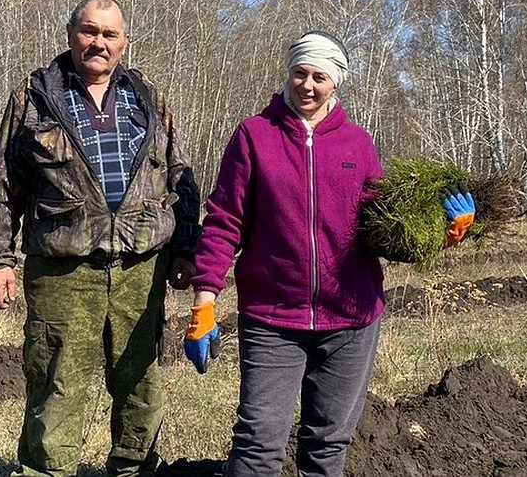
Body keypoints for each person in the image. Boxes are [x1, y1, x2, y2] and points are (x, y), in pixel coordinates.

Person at [181, 31, 476, 477]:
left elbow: (383, 230)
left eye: (319, 76)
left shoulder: (357, 143)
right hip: (272, 317)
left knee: (327, 444)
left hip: (351, 321)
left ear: (335, 81)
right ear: (288, 74)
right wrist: (205, 301)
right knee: (258, 442)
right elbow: (225, 222)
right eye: (300, 73)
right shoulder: (254, 136)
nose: (308, 85)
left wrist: (443, 234)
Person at [0, 0, 201, 477]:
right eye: (89, 31)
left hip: (142, 266)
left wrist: (186, 248)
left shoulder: (149, 98)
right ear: (71, 34)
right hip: (62, 268)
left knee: (141, 383)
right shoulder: (33, 98)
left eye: (109, 34)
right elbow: (2, 183)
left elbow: (178, 175)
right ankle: (46, 472)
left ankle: (134, 470)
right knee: (57, 381)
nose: (99, 42)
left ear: (125, 43)